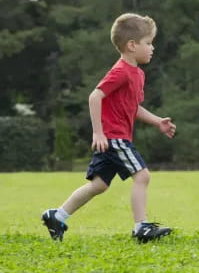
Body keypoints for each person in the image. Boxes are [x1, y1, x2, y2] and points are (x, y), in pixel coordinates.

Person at [42, 13, 176, 243]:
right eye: (148, 43)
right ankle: (141, 228)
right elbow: (95, 96)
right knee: (142, 176)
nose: (152, 48)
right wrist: (98, 132)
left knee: (99, 185)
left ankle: (57, 215)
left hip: (115, 138)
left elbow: (133, 107)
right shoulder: (121, 71)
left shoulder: (137, 74)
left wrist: (157, 122)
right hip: (114, 138)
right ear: (132, 45)